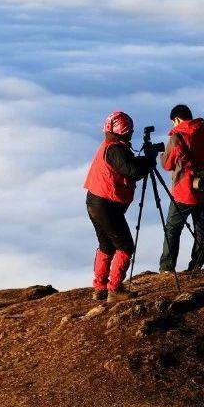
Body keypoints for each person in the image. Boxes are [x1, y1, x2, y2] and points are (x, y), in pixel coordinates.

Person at [84, 110, 153, 300]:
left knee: (106, 245)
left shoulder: (109, 145)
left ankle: (100, 288)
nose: (132, 133)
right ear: (123, 131)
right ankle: (114, 289)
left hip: (94, 201)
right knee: (125, 246)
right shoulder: (116, 149)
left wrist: (142, 160)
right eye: (130, 130)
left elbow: (126, 166)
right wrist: (148, 160)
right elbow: (133, 171)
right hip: (107, 205)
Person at [158, 104, 204, 274]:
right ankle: (197, 266)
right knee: (201, 229)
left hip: (184, 191)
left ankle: (167, 268)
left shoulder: (177, 138)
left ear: (176, 119)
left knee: (172, 228)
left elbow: (167, 164)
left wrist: (161, 156)